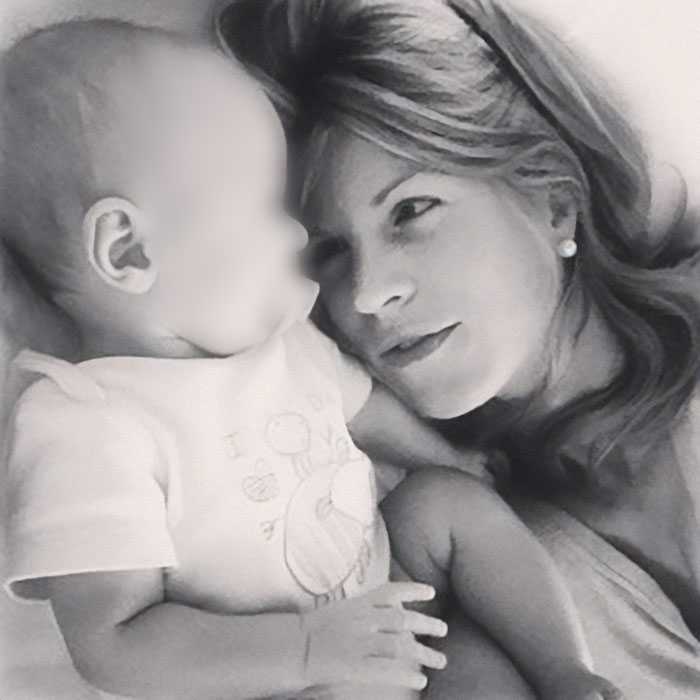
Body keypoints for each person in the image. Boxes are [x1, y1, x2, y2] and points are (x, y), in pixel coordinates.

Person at [0, 17, 614, 700]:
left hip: (388, 604)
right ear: (128, 249)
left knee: (443, 503)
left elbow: (365, 410)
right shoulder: (84, 424)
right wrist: (306, 650)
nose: (296, 236)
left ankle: (568, 672)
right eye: (266, 206)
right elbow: (112, 644)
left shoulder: (281, 343)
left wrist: (448, 459)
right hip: (282, 678)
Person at [218, 1, 700, 699]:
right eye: (329, 252)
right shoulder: (472, 574)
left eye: (411, 211)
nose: (364, 294)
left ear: (553, 200)